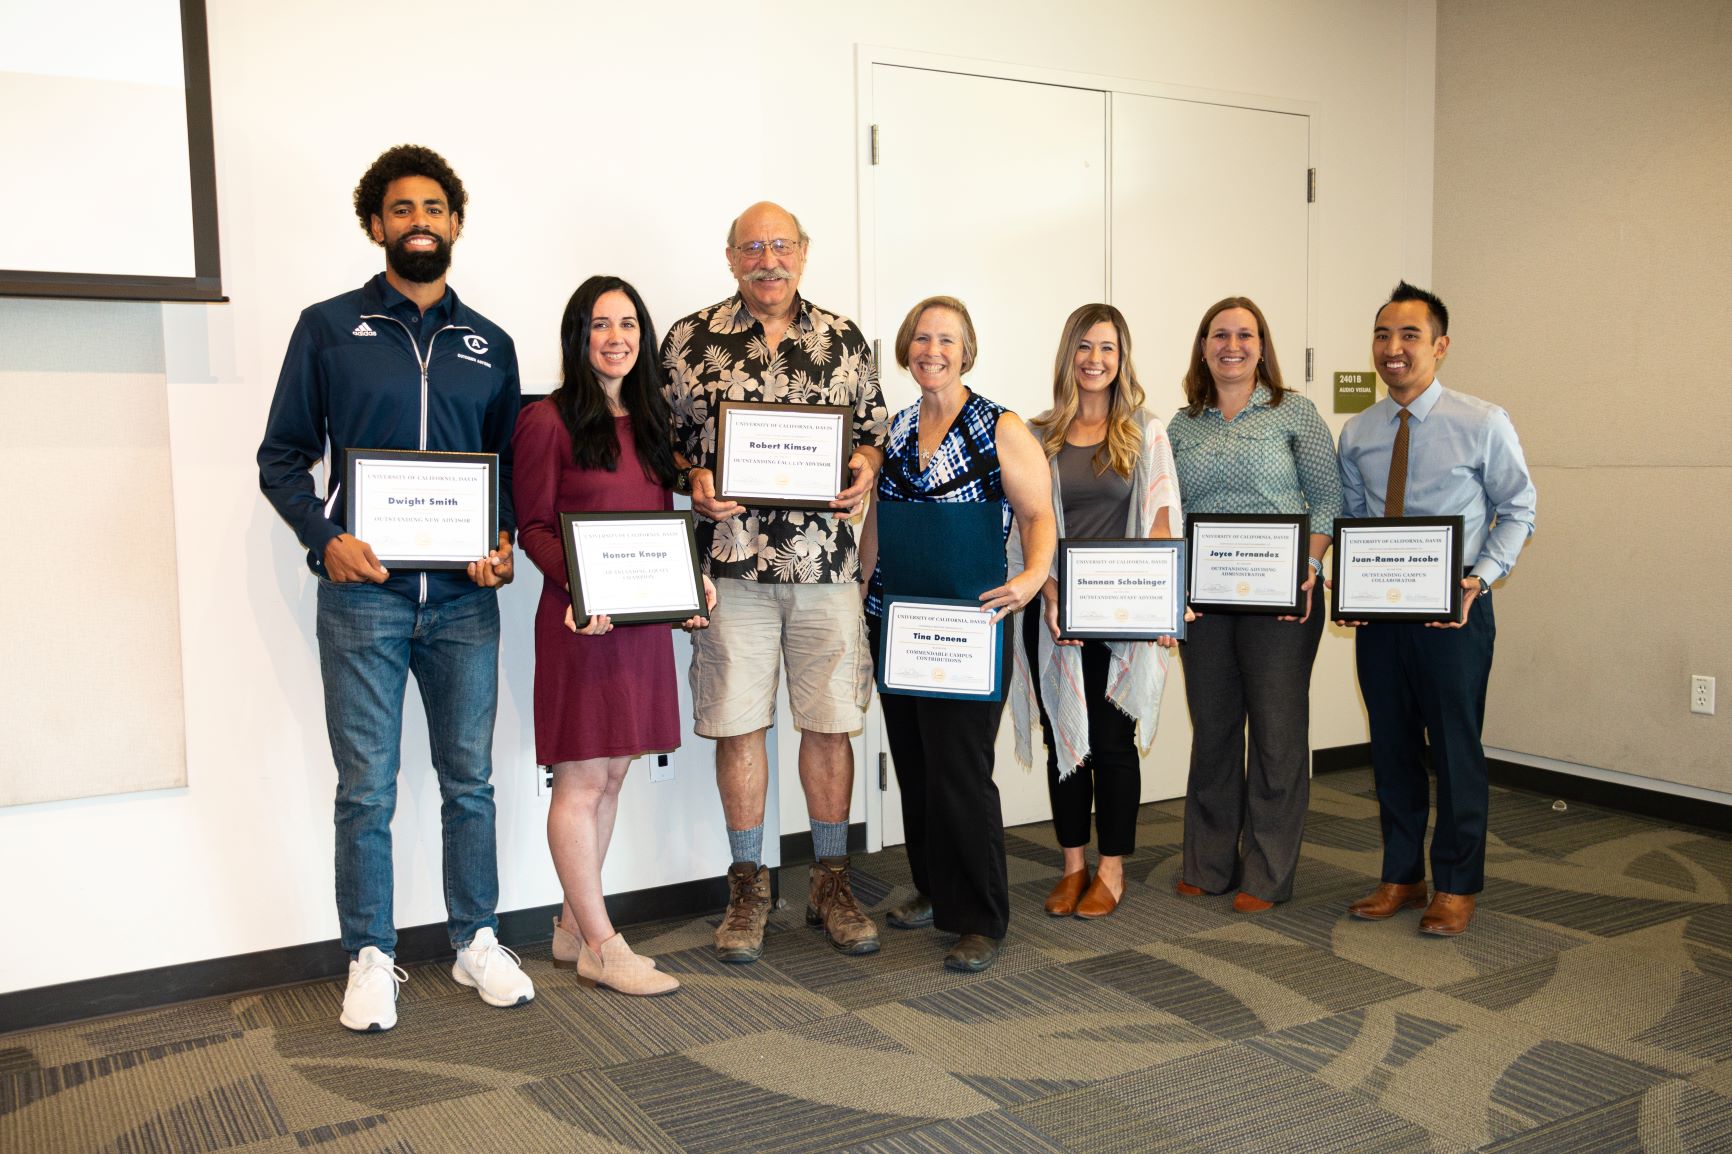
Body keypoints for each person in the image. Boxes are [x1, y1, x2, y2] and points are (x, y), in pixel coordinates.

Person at [257, 144, 532, 1031]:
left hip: (463, 604)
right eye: (401, 210)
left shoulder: (490, 343)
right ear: (376, 224)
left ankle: (476, 941)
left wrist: (501, 545)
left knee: (470, 784)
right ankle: (370, 954)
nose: (419, 223)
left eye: (434, 209)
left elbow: (508, 481)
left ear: (455, 223)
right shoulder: (329, 328)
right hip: (364, 598)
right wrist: (324, 538)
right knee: (367, 788)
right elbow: (282, 459)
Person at [660, 202, 889, 963]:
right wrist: (691, 476)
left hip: (826, 564)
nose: (768, 260)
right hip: (732, 564)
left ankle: (831, 880)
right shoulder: (689, 339)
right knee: (737, 724)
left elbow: (874, 434)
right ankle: (749, 887)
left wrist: (864, 466)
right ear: (730, 257)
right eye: (752, 248)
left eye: (781, 246)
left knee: (830, 723)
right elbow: (662, 442)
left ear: (803, 253)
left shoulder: (846, 339)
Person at [513, 276, 717, 997]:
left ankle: (573, 925)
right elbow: (533, 527)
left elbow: (655, 525)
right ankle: (603, 944)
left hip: (636, 628)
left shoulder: (650, 421)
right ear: (578, 336)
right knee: (582, 777)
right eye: (600, 325)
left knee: (616, 772)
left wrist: (689, 585)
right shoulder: (546, 421)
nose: (617, 337)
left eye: (628, 323)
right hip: (580, 623)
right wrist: (576, 588)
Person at [861, 296, 1056, 973]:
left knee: (961, 771)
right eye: (920, 338)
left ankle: (980, 915)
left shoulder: (999, 426)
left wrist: (1033, 577)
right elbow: (880, 520)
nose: (931, 350)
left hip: (971, 628)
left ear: (965, 350)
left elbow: (1038, 515)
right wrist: (861, 588)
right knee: (915, 764)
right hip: (900, 620)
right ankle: (933, 887)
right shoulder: (897, 425)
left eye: (945, 339)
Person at [1336, 281, 1536, 937]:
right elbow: (1354, 520)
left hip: (1455, 617)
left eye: (1410, 336)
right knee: (1391, 749)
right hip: (1381, 623)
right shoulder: (1358, 430)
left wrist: (1481, 577)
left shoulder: (1483, 422)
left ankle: (1454, 884)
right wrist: (1350, 588)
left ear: (1440, 347)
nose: (1394, 349)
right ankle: (1401, 874)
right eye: (1383, 335)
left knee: (1455, 752)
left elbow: (1519, 510)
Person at [1167, 296, 1341, 913]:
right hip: (1205, 602)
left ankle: (1267, 875)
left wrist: (1311, 567)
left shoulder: (1294, 412)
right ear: (1204, 345)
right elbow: (1169, 514)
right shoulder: (1182, 425)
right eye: (1219, 334)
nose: (1232, 345)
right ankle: (1209, 865)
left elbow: (1327, 500)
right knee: (1214, 731)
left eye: (1245, 334)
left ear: (1262, 346)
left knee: (1275, 734)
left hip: (1282, 600)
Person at [1010, 304, 1182, 920]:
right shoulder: (1036, 435)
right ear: (1067, 354)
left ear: (1122, 357)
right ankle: (1072, 865)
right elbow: (1026, 526)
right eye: (1083, 347)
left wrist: (1160, 602)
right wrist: (1050, 590)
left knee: (1112, 743)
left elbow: (1162, 523)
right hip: (1054, 610)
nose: (1094, 360)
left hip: (1120, 614)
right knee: (1063, 741)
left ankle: (1111, 870)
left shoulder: (1145, 432)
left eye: (1107, 348)